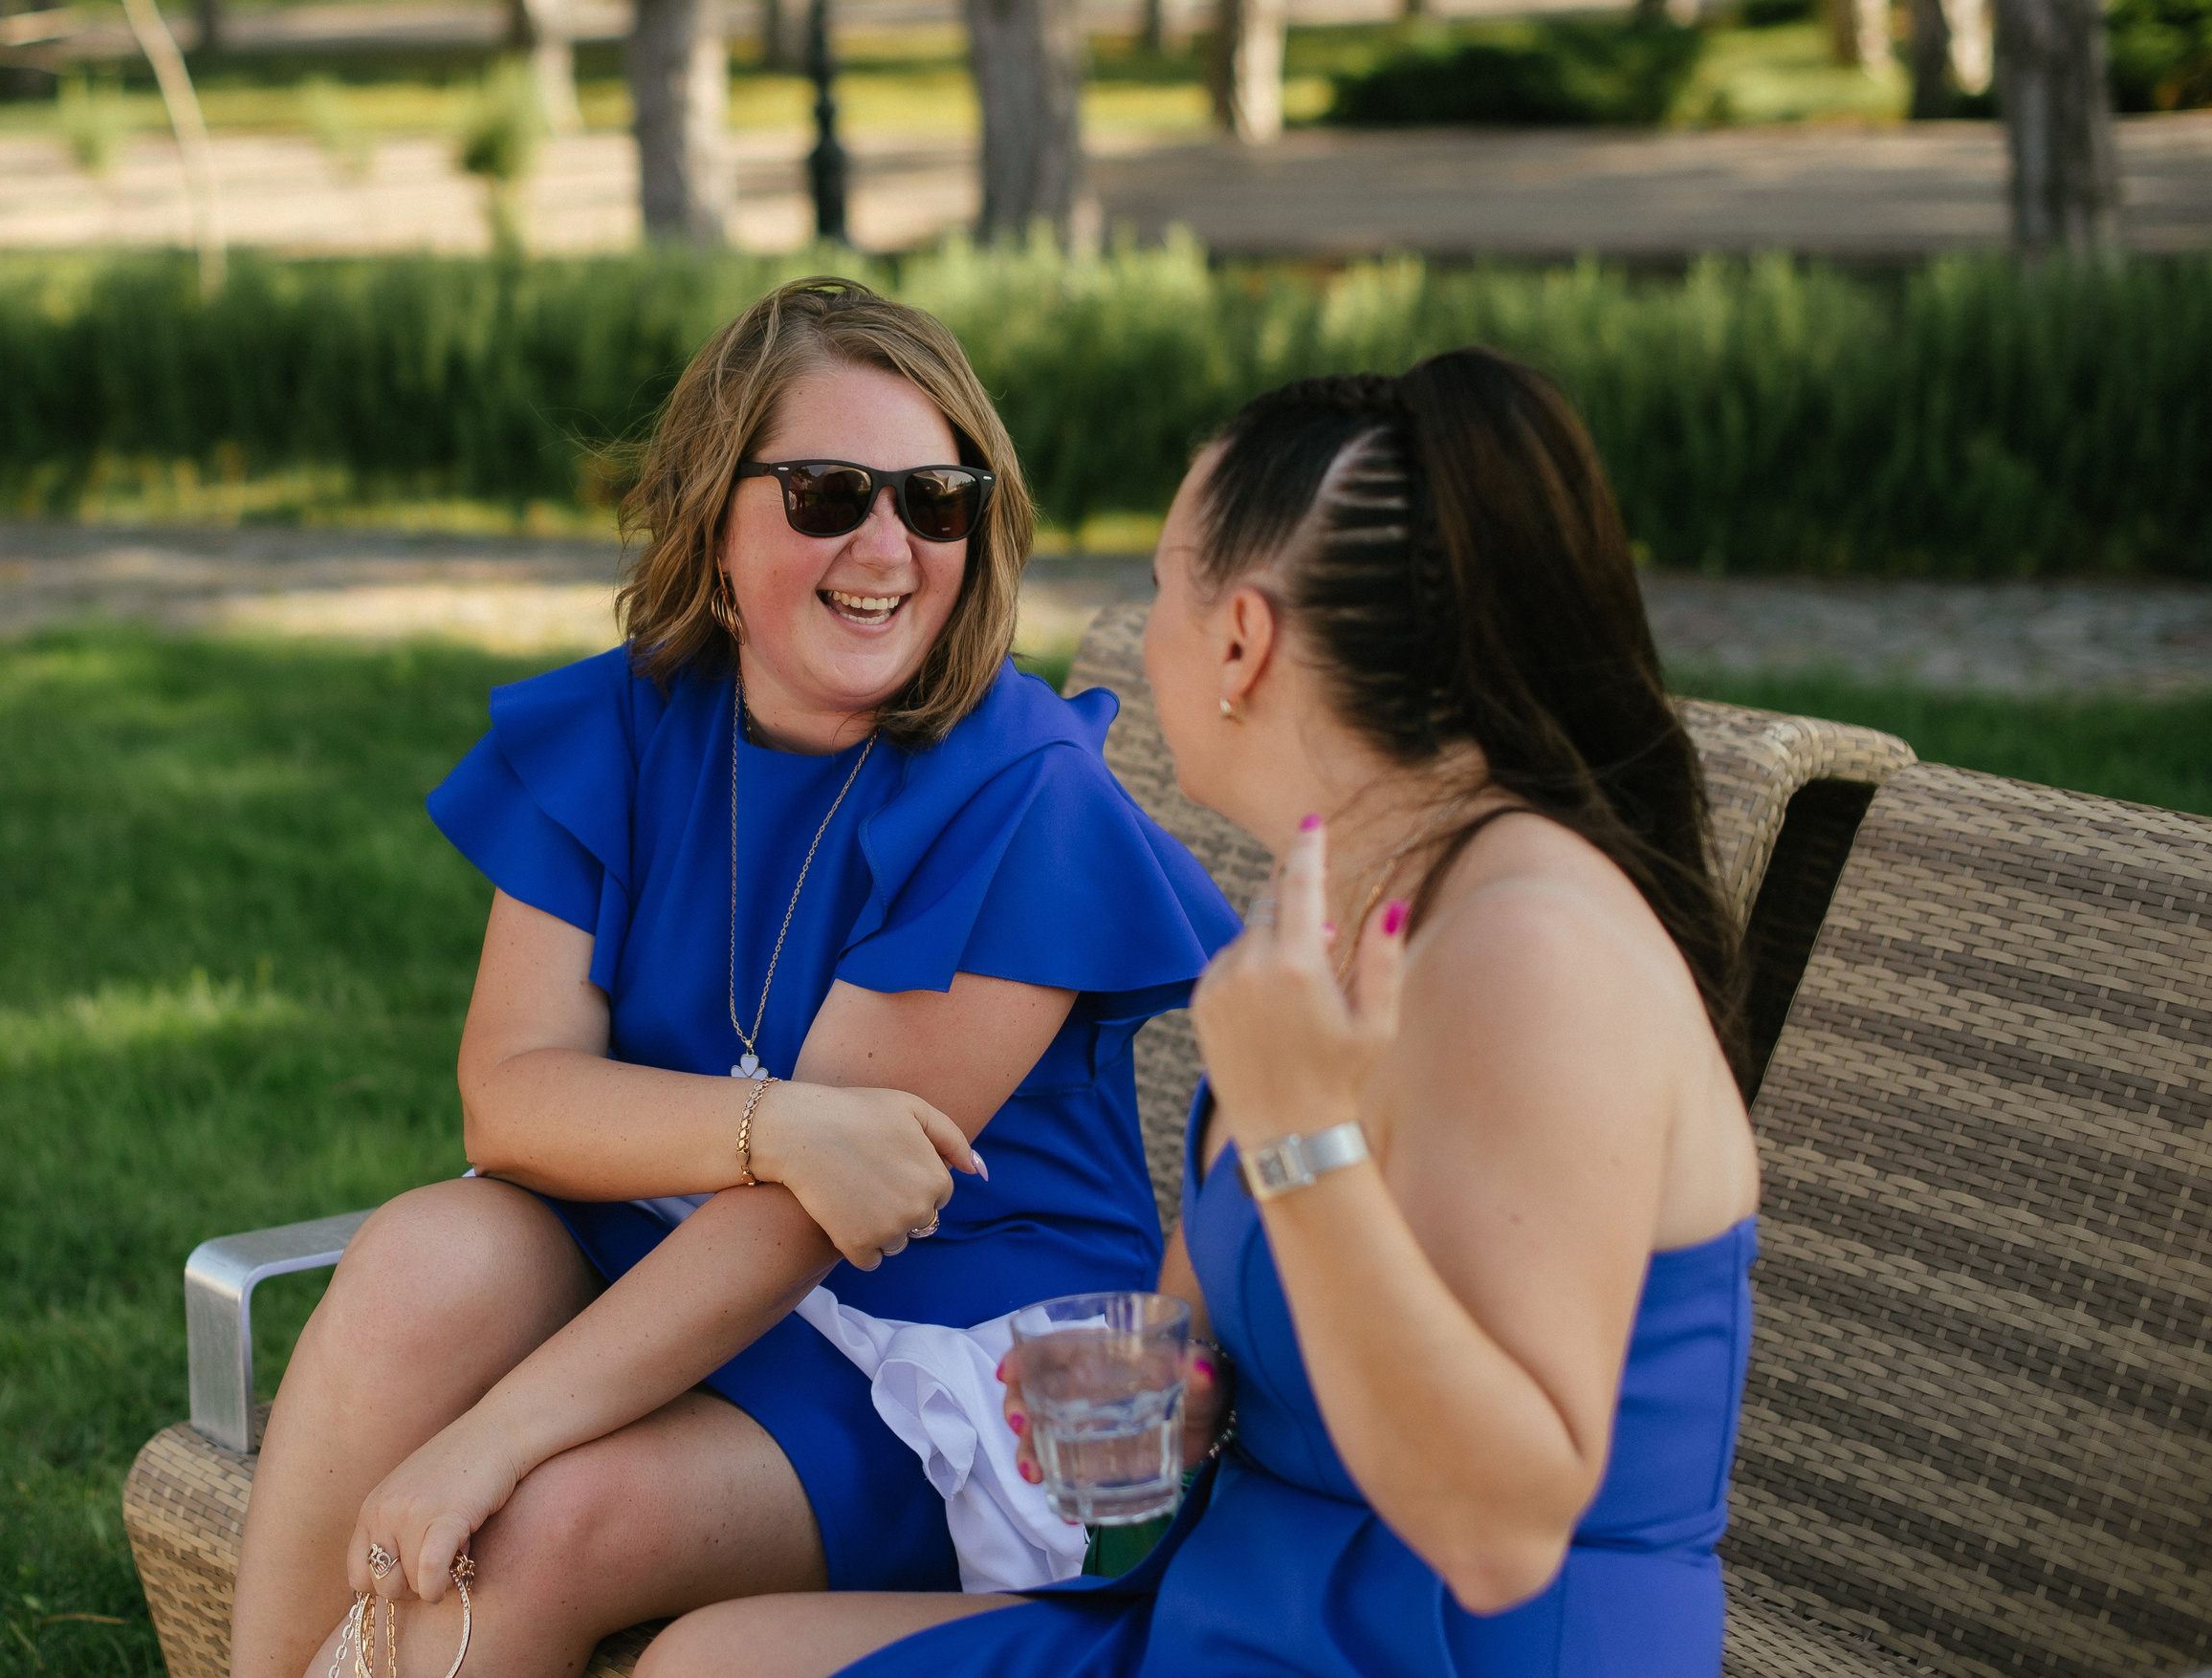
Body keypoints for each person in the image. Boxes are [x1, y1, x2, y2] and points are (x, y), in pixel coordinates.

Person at [637, 349, 1763, 1678]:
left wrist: (1294, 1126)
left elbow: (1501, 1531)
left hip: (1449, 1646)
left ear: (1242, 642)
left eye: (1163, 584)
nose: (1147, 622)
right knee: (714, 1657)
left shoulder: (1531, 952)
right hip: (1249, 1598)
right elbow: (1230, 1347)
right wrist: (1117, 1416)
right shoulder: (1337, 912)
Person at [225, 277, 1237, 1678]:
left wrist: (491, 1438)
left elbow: (815, 1223)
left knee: (544, 1521)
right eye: (828, 492)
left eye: (936, 500)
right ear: (712, 520)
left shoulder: (1024, 792)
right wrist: (781, 1129)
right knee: (419, 1259)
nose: (888, 544)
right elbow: (508, 1102)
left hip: (973, 1346)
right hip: (690, 1254)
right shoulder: (629, 723)